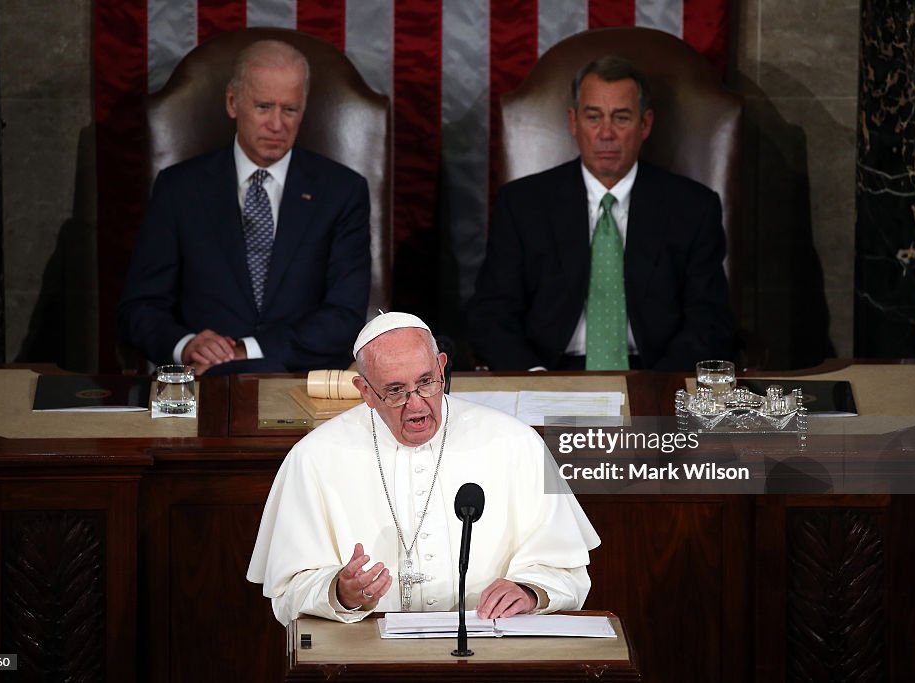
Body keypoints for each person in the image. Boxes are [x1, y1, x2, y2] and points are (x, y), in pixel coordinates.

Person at [247, 311, 600, 625]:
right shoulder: (314, 457)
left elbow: (567, 570)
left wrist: (528, 591)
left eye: (427, 382)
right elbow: (287, 590)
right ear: (365, 391)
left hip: (489, 646)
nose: (416, 404)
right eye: (395, 391)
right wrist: (339, 592)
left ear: (442, 367)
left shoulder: (515, 442)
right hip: (369, 658)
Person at [117, 40, 371, 375]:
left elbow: (345, 316)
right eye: (264, 107)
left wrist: (245, 350)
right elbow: (140, 308)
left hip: (302, 382)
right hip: (203, 382)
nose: (277, 125)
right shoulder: (179, 189)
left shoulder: (342, 191)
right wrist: (186, 344)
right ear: (233, 102)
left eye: (290, 109)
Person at [468, 56, 734, 372]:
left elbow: (708, 319)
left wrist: (659, 384)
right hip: (548, 373)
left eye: (621, 118)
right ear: (573, 122)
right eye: (593, 117)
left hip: (654, 373)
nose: (606, 133)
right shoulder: (523, 204)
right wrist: (534, 378)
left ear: (645, 124)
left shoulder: (693, 207)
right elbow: (492, 313)